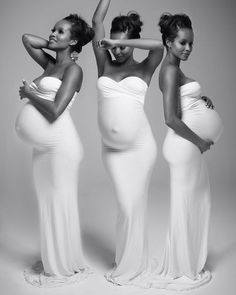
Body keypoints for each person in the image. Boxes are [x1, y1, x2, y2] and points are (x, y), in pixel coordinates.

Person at [15, 14, 94, 287]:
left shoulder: (74, 71)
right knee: (47, 203)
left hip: (61, 145)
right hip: (43, 147)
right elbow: (27, 40)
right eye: (52, 29)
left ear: (73, 41)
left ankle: (63, 265)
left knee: (60, 203)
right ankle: (54, 260)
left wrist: (30, 93)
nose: (52, 33)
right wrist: (58, 44)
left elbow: (55, 111)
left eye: (60, 31)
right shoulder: (49, 65)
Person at [92, 0, 164, 287]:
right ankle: (127, 258)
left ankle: (130, 262)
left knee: (132, 204)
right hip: (112, 151)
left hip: (141, 148)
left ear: (133, 43)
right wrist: (106, 40)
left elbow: (159, 46)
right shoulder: (104, 62)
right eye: (114, 45)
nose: (117, 50)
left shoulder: (145, 67)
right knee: (125, 203)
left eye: (124, 45)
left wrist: (126, 39)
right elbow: (97, 20)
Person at [154, 13, 223, 290]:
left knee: (196, 203)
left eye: (191, 44)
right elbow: (170, 118)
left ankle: (188, 260)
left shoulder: (175, 69)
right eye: (182, 43)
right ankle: (183, 266)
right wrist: (200, 142)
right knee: (185, 206)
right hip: (184, 147)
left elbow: (181, 105)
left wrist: (198, 98)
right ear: (169, 42)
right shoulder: (169, 71)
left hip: (186, 147)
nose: (188, 49)